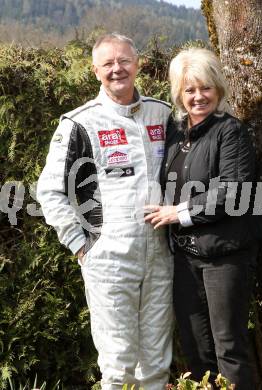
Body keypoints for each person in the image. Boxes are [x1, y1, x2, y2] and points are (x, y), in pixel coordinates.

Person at [37, 33, 173, 390]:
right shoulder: (79, 123)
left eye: (124, 61)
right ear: (95, 70)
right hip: (109, 258)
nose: (118, 69)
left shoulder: (164, 113)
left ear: (137, 63)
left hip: (161, 254)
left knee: (157, 364)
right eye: (108, 64)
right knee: (117, 366)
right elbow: (49, 190)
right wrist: (82, 246)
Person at [145, 47, 261, 389]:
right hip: (185, 258)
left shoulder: (230, 132)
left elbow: (233, 192)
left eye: (205, 88)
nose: (198, 97)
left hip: (225, 256)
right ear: (179, 93)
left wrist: (178, 212)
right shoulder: (176, 132)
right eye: (189, 89)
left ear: (218, 89)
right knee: (196, 349)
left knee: (229, 348)